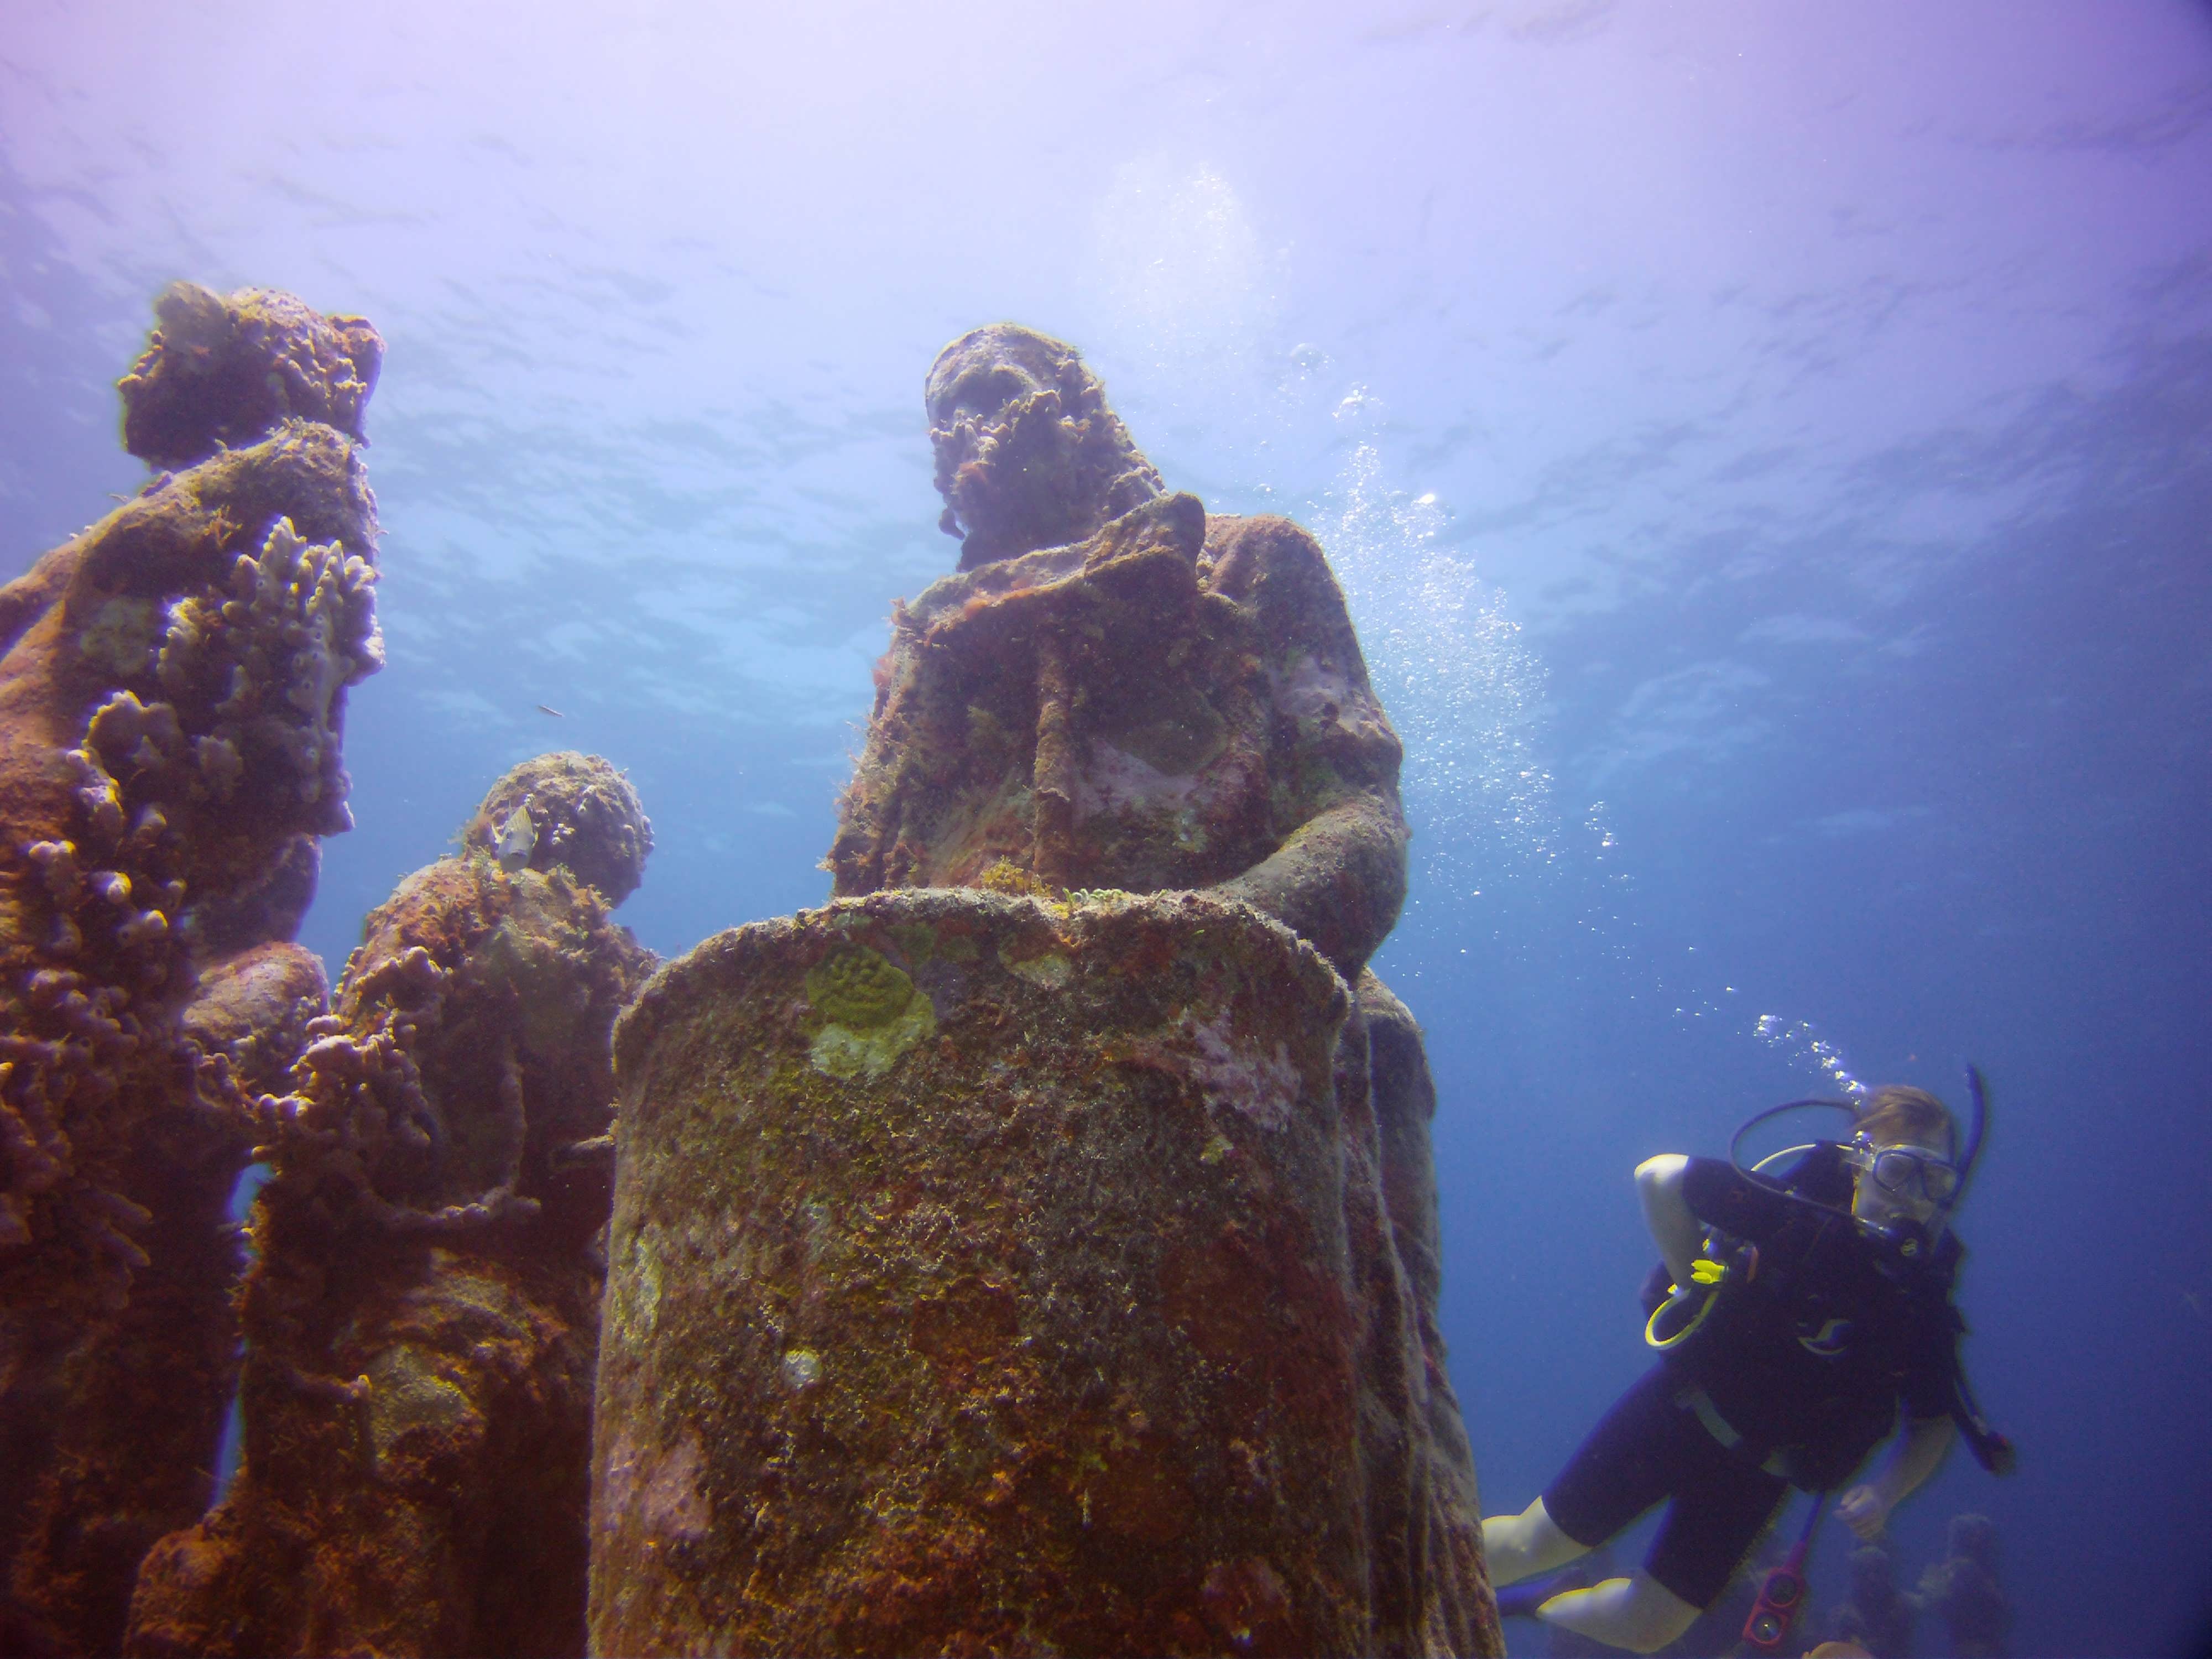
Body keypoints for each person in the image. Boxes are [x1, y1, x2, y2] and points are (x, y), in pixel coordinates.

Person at [1483, 1084, 2010, 1655]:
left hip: (1759, 1475)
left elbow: (1934, 1422)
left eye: (1935, 1180)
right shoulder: (1797, 1217)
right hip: (1681, 1413)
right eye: (1899, 1170)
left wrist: (1886, 1494)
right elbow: (1659, 1177)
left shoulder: (1919, 1302)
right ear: (1860, 1161)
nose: (1913, 1197)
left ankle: (1540, 1604)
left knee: (1648, 1628)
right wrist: (1693, 1283)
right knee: (1534, 1545)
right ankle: (1427, 1564)